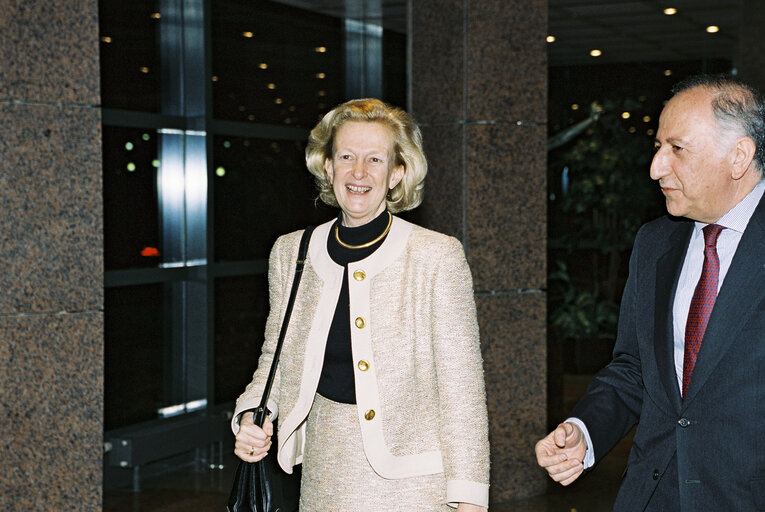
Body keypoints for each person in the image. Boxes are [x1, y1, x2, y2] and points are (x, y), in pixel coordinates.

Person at [231, 98, 490, 511]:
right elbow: (276, 358)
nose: (359, 172)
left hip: (417, 483)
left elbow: (462, 391)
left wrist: (470, 496)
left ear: (397, 174)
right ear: (328, 166)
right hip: (325, 473)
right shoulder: (290, 253)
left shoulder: (436, 256)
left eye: (375, 159)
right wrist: (251, 414)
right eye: (346, 156)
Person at [536, 74, 765, 511]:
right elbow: (635, 368)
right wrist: (584, 431)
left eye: (677, 149)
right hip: (652, 494)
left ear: (739, 157)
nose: (656, 167)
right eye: (658, 147)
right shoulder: (655, 243)